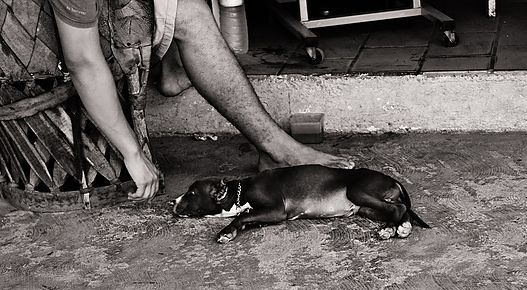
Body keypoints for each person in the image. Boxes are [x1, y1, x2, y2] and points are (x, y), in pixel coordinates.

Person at [49, 0, 353, 201]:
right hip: (50, 31)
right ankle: (278, 150)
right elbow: (83, 63)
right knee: (192, 16)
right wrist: (132, 153)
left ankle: (172, 66)